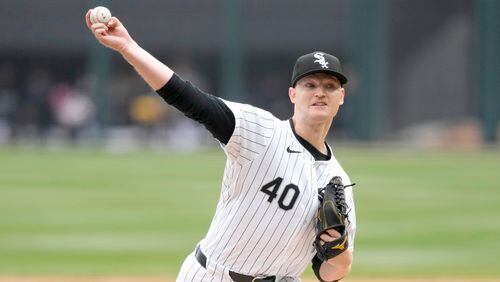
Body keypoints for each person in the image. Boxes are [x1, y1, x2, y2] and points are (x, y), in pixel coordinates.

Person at [86, 9, 356, 282]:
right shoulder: (262, 132)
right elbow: (189, 98)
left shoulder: (339, 181)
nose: (320, 92)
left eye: (330, 86)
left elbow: (331, 272)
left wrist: (339, 247)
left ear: (341, 96)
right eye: (310, 84)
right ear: (293, 94)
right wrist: (128, 47)